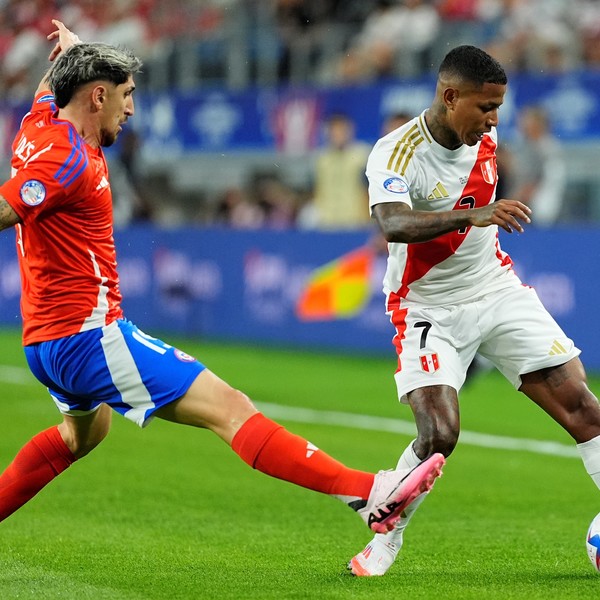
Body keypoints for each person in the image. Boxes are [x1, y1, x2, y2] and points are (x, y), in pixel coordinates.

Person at [0, 20, 445, 541]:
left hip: (43, 343)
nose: (132, 109)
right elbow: (10, 207)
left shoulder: (38, 125)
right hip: (87, 339)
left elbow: (50, 91)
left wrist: (73, 52)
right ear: (97, 95)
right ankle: (368, 494)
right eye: (126, 96)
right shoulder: (65, 160)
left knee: (85, 433)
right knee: (230, 409)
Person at [348, 44, 600, 576]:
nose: (492, 121)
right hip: (426, 306)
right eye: (484, 108)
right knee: (440, 435)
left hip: (496, 289)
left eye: (498, 109)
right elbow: (393, 225)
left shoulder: (485, 138)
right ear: (449, 95)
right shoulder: (395, 153)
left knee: (584, 408)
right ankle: (387, 532)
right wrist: (476, 214)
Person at [309, 112, 371, 230]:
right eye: (334, 131)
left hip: (355, 222)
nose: (338, 135)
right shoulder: (321, 159)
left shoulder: (362, 156)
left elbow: (367, 190)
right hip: (326, 222)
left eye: (341, 131)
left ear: (349, 131)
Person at [508, 104, 566, 226]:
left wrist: (526, 193)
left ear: (538, 125)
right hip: (518, 201)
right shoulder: (521, 145)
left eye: (527, 122)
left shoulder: (548, 147)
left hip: (541, 207)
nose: (522, 125)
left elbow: (550, 177)